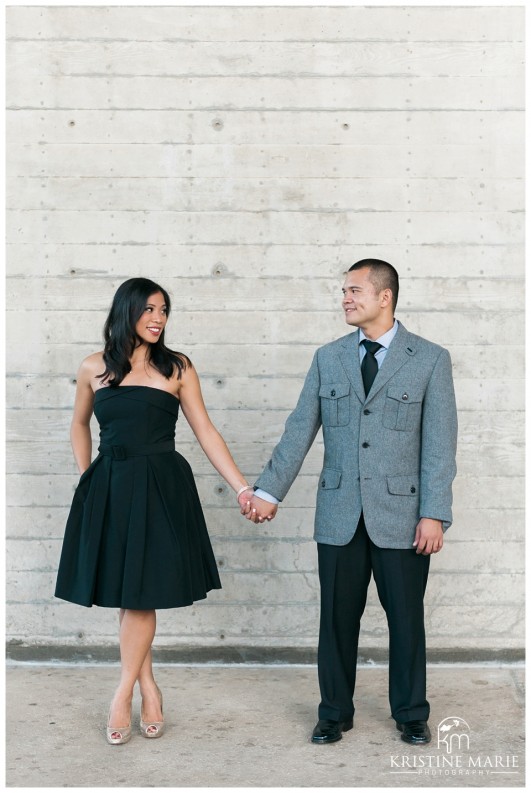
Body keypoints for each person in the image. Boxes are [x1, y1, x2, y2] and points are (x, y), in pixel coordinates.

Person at [243, 259, 458, 745]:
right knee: (336, 619)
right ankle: (334, 712)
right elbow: (300, 428)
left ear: (385, 297)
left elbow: (440, 444)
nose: (346, 298)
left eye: (355, 290)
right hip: (339, 513)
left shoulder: (429, 359)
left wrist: (433, 513)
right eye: (344, 291)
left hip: (403, 516)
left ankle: (411, 712)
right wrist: (268, 491)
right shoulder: (328, 357)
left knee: (406, 618)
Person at [55, 277, 254, 745]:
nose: (159, 318)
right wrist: (89, 477)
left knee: (140, 594)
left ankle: (121, 694)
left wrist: (243, 487)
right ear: (126, 311)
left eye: (164, 310)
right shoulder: (92, 368)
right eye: (149, 309)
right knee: (129, 591)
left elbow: (205, 430)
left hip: (163, 487)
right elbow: (79, 424)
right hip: (110, 486)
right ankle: (149, 686)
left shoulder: (178, 367)